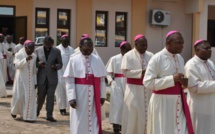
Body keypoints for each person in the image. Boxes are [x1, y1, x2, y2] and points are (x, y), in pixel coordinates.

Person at [143, 30, 194, 134]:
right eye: (178, 43)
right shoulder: (157, 58)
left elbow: (180, 82)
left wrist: (184, 84)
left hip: (179, 101)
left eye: (182, 43)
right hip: (162, 103)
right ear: (168, 43)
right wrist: (172, 79)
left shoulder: (180, 58)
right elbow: (148, 83)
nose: (181, 45)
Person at [63, 37, 106, 134]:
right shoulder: (74, 60)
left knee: (93, 115)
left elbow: (102, 79)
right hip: (79, 94)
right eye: (87, 46)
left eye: (91, 46)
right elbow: (69, 80)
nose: (90, 49)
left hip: (94, 93)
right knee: (79, 117)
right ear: (80, 47)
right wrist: (71, 97)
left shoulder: (97, 59)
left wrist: (102, 95)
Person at [121, 34, 153, 134]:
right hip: (133, 91)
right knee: (133, 115)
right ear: (136, 44)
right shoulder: (128, 55)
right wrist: (141, 72)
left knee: (147, 114)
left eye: (146, 45)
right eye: (142, 45)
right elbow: (125, 72)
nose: (144, 47)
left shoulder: (151, 55)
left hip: (148, 90)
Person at [185, 39, 215, 134]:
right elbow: (195, 87)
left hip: (211, 106)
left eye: (210, 48)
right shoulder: (191, 64)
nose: (210, 50)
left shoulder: (210, 63)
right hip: (200, 108)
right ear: (197, 50)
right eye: (206, 48)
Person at [35, 36, 62, 122]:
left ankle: (49, 115)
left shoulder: (57, 51)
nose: (47, 46)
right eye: (46, 44)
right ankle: (36, 111)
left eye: (49, 44)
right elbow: (34, 62)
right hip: (41, 77)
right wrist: (38, 64)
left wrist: (56, 66)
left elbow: (60, 64)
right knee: (40, 96)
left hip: (52, 78)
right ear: (43, 43)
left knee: (50, 97)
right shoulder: (38, 50)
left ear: (52, 44)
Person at [106, 41, 131, 133]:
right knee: (117, 105)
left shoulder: (132, 59)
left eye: (130, 50)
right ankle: (116, 126)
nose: (128, 52)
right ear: (121, 49)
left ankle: (124, 125)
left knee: (128, 105)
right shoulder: (114, 59)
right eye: (126, 50)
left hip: (129, 83)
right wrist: (111, 82)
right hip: (117, 84)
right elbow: (108, 73)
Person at [11, 40, 37, 122]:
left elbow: (34, 70)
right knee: (19, 97)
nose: (31, 50)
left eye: (33, 49)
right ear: (25, 47)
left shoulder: (34, 56)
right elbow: (17, 65)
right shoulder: (19, 54)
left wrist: (35, 82)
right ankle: (14, 111)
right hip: (21, 79)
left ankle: (28, 116)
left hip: (30, 80)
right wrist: (25, 60)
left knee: (30, 98)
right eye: (30, 49)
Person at [56, 34, 74, 115]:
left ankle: (71, 108)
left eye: (68, 41)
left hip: (69, 74)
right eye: (65, 40)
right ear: (61, 40)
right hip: (60, 74)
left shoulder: (71, 49)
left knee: (70, 91)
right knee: (61, 92)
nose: (66, 42)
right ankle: (62, 108)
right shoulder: (57, 49)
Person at [0, 33, 7, 98]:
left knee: (3, 76)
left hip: (3, 61)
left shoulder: (3, 44)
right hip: (1, 61)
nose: (3, 39)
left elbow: (6, 52)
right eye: (2, 38)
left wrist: (13, 54)